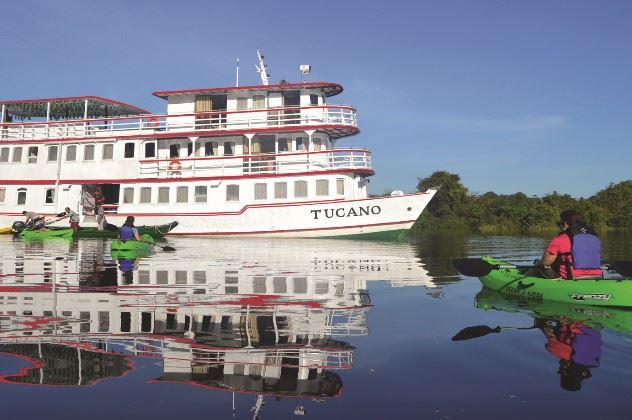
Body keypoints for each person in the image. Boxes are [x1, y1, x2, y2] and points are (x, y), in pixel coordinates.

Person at [531, 210, 602, 279]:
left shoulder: (559, 239)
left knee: (538, 267)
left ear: (565, 224)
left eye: (559, 224)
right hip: (597, 276)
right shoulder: (594, 238)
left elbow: (545, 263)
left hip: (571, 277)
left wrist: (537, 262)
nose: (559, 227)